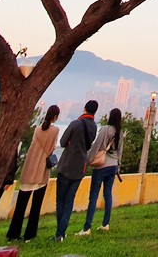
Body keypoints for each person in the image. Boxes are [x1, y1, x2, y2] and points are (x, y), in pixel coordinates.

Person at [7, 104, 59, 242]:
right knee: (35, 207)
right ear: (55, 117)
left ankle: (13, 234)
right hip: (41, 171)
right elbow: (52, 148)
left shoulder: (37, 129)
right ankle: (29, 235)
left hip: (29, 169)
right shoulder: (55, 130)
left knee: (20, 206)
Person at [54, 99, 98, 242]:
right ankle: (62, 232)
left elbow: (62, 142)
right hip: (80, 168)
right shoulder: (94, 126)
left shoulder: (76, 123)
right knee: (69, 200)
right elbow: (88, 145)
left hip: (67, 165)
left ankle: (60, 233)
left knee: (60, 200)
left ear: (84, 108)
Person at [78, 108, 124, 236]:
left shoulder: (105, 129)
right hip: (113, 166)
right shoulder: (120, 133)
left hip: (101, 166)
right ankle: (106, 223)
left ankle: (87, 228)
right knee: (108, 194)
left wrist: (88, 161)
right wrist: (118, 166)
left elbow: (96, 146)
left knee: (93, 197)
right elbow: (120, 151)